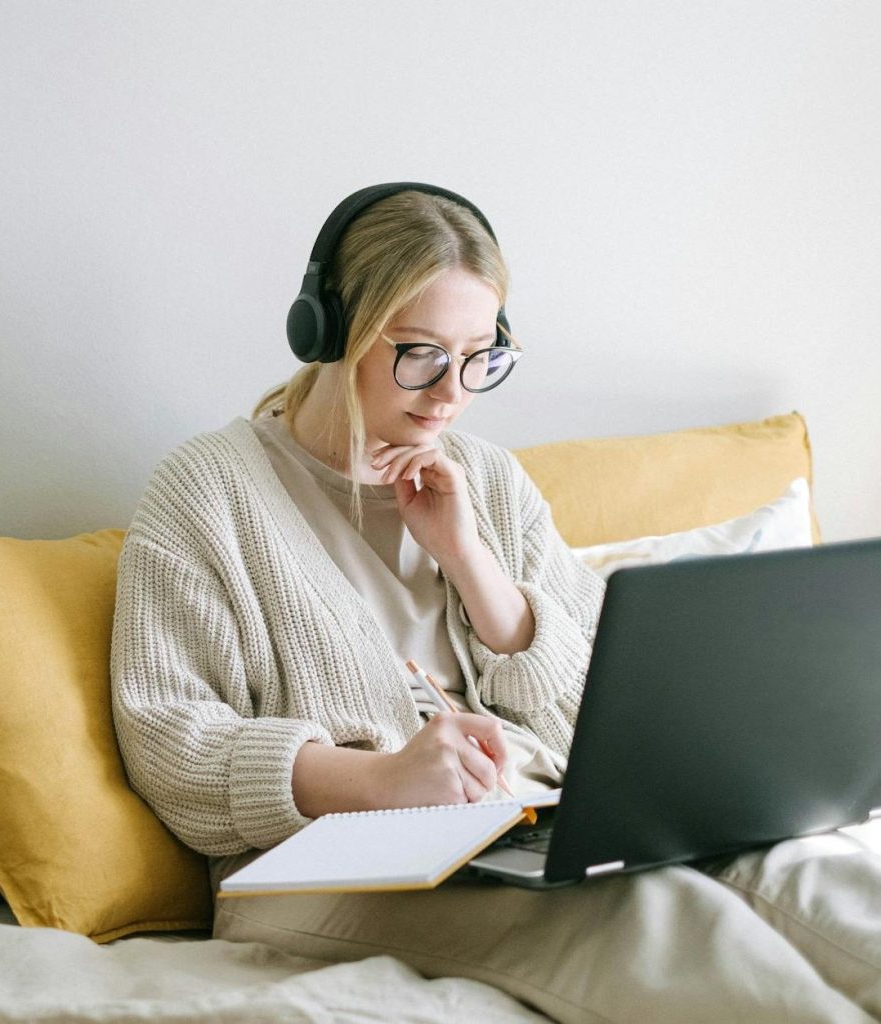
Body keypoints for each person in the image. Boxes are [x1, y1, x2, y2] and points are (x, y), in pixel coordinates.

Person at [111, 183, 881, 1023]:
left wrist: (470, 560)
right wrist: (382, 780)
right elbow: (172, 746)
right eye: (420, 353)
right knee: (668, 928)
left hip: (534, 825)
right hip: (322, 871)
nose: (451, 393)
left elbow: (603, 704)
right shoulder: (206, 493)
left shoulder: (486, 479)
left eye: (480, 355)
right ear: (331, 332)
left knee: (818, 879)